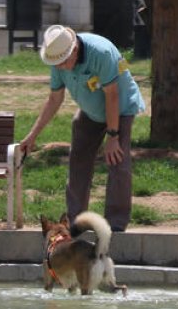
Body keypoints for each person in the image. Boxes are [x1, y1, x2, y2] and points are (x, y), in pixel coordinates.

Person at [19, 25, 146, 232]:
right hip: (90, 111)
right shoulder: (57, 57)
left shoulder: (101, 53)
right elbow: (54, 98)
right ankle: (75, 222)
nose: (61, 67)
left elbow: (112, 95)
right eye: (57, 64)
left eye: (64, 62)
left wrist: (113, 136)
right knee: (78, 161)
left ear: (75, 50)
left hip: (120, 109)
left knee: (117, 161)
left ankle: (115, 224)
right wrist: (32, 135)